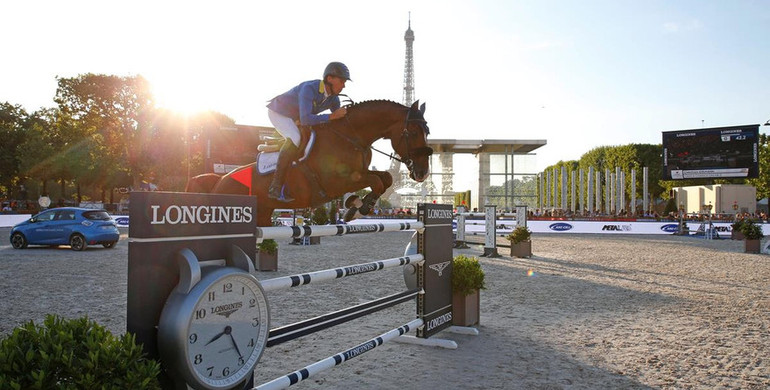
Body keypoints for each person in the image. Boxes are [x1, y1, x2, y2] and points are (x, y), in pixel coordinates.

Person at [265, 61, 351, 202]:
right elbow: (306, 119)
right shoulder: (309, 88)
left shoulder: (334, 99)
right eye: (341, 81)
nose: (344, 85)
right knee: (296, 138)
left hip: (295, 117)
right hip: (279, 113)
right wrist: (331, 116)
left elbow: (337, 122)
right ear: (329, 79)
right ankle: (275, 186)